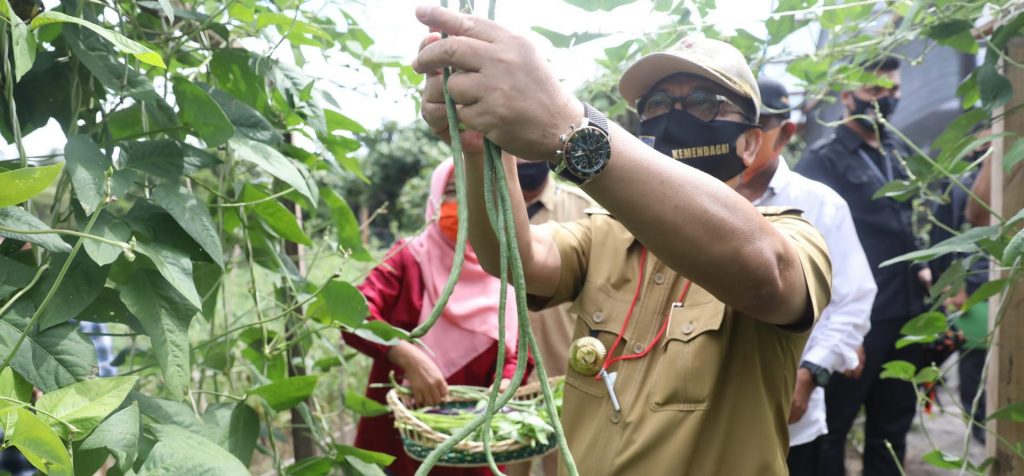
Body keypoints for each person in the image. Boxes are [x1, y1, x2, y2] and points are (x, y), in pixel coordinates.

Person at [413, 7, 832, 475]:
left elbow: (763, 276)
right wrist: (482, 148)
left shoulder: (793, 237)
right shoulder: (604, 233)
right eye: (656, 104)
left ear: (752, 144)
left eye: (702, 102)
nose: (675, 117)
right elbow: (517, 258)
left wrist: (570, 129)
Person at [342, 159, 522, 476]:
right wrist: (405, 353)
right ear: (435, 199)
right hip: (401, 439)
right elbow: (351, 313)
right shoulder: (407, 258)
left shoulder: (502, 268)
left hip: (472, 444)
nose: (464, 203)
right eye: (453, 191)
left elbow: (517, 354)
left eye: (476, 192)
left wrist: (503, 388)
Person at [794, 56, 930, 476]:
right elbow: (809, 245)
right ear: (847, 96)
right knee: (832, 428)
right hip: (860, 321)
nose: (884, 101)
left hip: (905, 315)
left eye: (892, 91)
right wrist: (841, 334)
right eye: (875, 91)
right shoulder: (822, 161)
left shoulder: (897, 150)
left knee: (892, 427)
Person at [735, 78, 876, 476]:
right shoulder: (704, 199)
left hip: (792, 420)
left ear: (786, 133)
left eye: (758, 126)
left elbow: (853, 300)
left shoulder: (820, 205)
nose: (744, 139)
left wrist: (811, 372)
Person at [507, 160, 595, 476]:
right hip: (502, 381)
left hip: (564, 378)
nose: (524, 160)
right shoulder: (486, 209)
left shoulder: (584, 209)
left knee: (561, 466)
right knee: (503, 465)